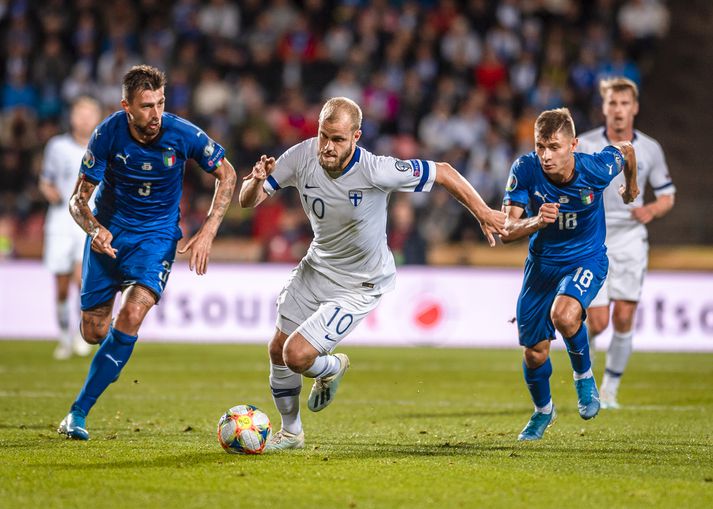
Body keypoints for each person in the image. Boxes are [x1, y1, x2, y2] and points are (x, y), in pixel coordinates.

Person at [239, 97, 506, 451]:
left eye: (337, 139)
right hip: (317, 267)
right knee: (277, 349)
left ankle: (331, 367)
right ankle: (291, 434)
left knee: (297, 356)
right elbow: (247, 201)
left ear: (356, 137)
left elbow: (443, 171)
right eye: (323, 136)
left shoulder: (377, 169)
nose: (328, 147)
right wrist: (256, 182)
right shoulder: (302, 155)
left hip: (360, 283)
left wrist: (484, 212)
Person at [57, 65, 237, 440]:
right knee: (94, 332)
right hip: (110, 233)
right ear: (126, 106)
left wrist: (207, 231)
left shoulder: (182, 133)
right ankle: (110, 354)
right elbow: (77, 201)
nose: (155, 114)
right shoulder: (107, 134)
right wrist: (94, 229)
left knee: (134, 313)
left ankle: (78, 412)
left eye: (160, 103)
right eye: (145, 106)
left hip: (156, 239)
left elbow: (228, 174)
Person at [501, 107, 638, 441]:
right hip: (542, 265)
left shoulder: (595, 168)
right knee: (534, 353)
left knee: (564, 314)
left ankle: (584, 378)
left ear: (573, 144)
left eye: (554, 147)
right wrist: (536, 221)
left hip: (586, 259)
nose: (546, 156)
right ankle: (543, 412)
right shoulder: (525, 168)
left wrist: (630, 188)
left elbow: (627, 149)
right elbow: (506, 229)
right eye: (540, 147)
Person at [577, 77, 675, 408]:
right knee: (599, 320)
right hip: (595, 239)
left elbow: (667, 195)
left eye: (624, 104)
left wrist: (652, 209)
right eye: (612, 104)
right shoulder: (586, 144)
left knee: (623, 319)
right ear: (604, 108)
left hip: (631, 237)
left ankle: (610, 390)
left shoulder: (650, 148)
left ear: (634, 108)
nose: (618, 110)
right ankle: (584, 369)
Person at [39, 96, 102, 360]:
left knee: (82, 279)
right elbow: (46, 181)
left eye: (90, 113)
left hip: (89, 221)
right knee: (62, 287)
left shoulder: (103, 146)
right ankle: (64, 336)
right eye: (80, 113)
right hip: (61, 220)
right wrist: (53, 195)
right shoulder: (57, 146)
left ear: (98, 118)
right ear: (72, 117)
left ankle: (80, 335)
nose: (85, 118)